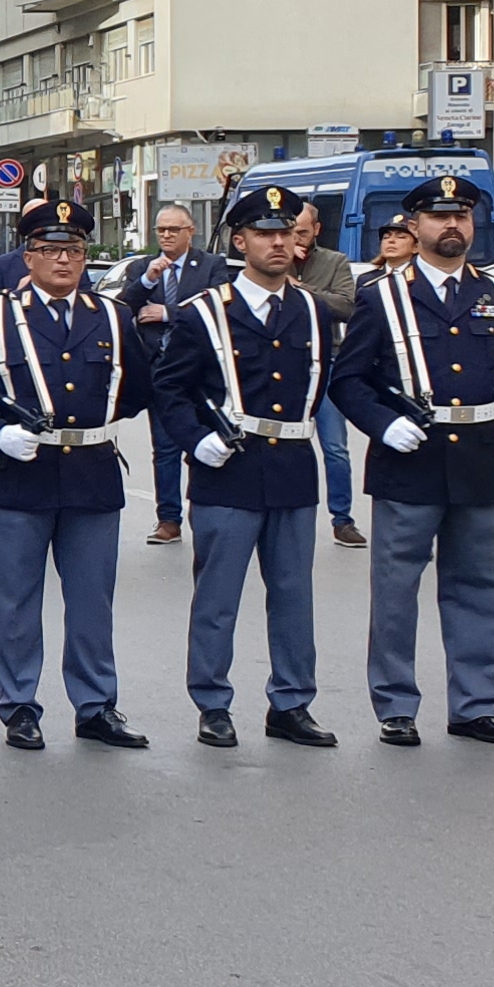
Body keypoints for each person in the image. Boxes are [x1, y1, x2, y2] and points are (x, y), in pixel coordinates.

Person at [333, 175, 494, 748]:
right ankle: (396, 704)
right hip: (409, 460)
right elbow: (349, 381)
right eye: (440, 217)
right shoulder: (382, 296)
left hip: (479, 458)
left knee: (478, 588)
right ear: (414, 226)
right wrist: (383, 423)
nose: (453, 226)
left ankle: (475, 704)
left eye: (462, 216)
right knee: (397, 590)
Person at [0, 199, 148, 751]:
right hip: (20, 474)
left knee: (92, 601)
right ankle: (19, 706)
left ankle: (96, 705)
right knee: (16, 600)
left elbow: (137, 389)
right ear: (28, 257)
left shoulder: (112, 317)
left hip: (91, 472)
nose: (64, 260)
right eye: (50, 250)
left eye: (74, 250)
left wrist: (95, 424)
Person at [157, 182, 343, 751]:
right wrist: (196, 441)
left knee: (293, 596)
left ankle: (291, 702)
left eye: (286, 233)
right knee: (218, 598)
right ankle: (212, 703)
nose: (278, 243)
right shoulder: (204, 313)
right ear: (240, 242)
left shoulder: (313, 310)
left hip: (292, 468)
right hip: (229, 469)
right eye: (265, 233)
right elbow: (170, 391)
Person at [113, 203, 236, 545]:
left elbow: (220, 307)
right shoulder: (143, 267)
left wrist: (167, 312)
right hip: (159, 369)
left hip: (200, 370)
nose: (166, 236)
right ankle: (168, 518)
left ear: (190, 231)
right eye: (161, 230)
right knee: (164, 448)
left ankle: (206, 511)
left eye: (173, 230)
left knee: (204, 442)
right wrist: (147, 280)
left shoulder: (210, 265)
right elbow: (123, 309)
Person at [289, 201, 369, 547]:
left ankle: (343, 519)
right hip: (286, 362)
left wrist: (303, 289)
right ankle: (289, 513)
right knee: (286, 443)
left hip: (327, 359)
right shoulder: (273, 259)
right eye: (289, 231)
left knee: (335, 447)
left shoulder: (334, 262)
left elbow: (347, 306)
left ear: (317, 230)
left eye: (302, 232)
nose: (295, 239)